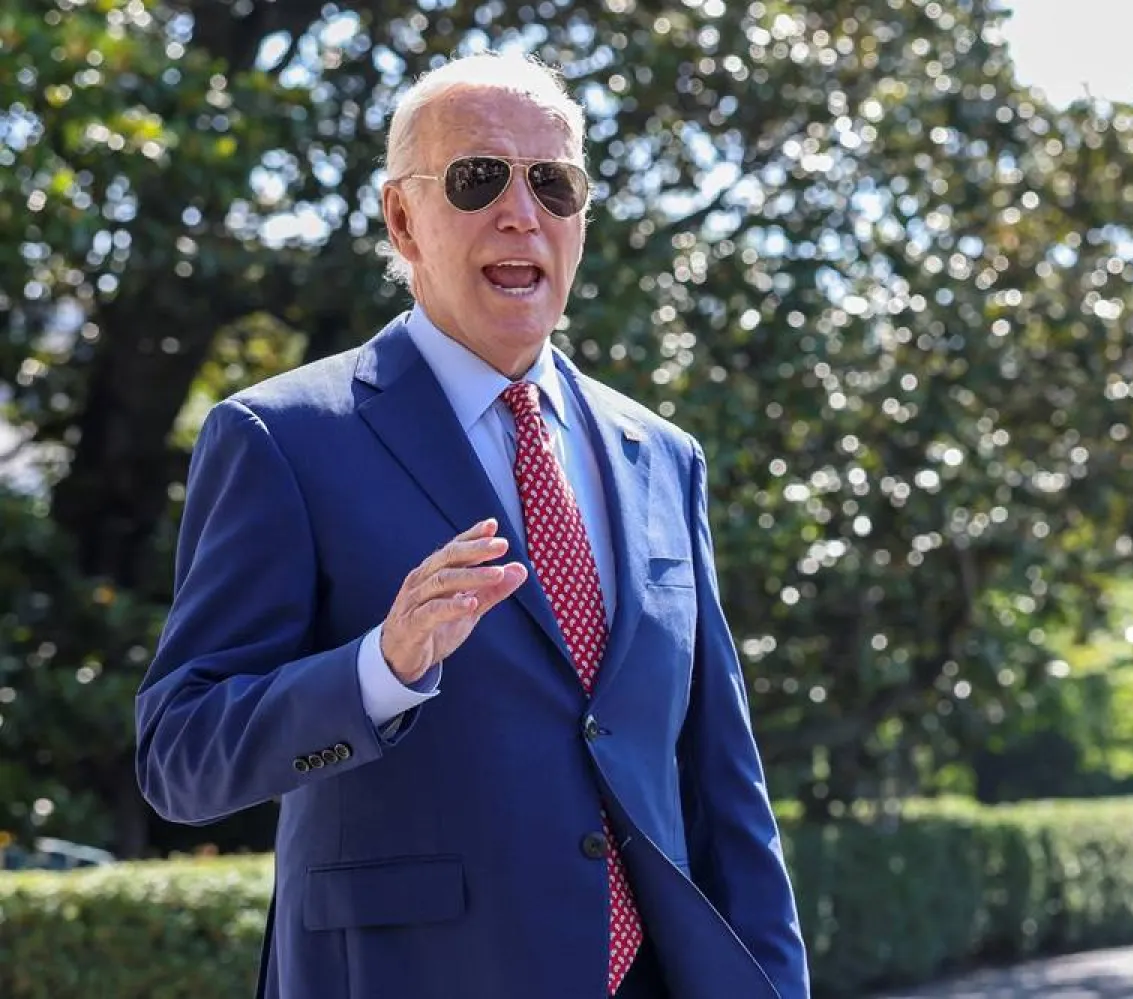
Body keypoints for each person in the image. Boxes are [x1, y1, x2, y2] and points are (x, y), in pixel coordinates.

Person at [134, 49, 809, 999]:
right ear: (402, 218)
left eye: (554, 184)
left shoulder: (662, 454)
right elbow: (179, 755)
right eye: (478, 177)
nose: (520, 212)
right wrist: (381, 667)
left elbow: (723, 783)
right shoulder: (281, 438)